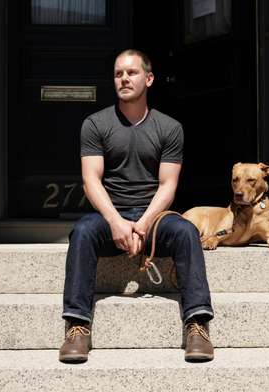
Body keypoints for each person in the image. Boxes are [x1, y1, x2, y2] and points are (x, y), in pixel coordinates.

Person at [59, 49, 214, 363]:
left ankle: (197, 325)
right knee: (83, 232)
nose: (124, 79)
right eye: (118, 74)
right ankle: (77, 326)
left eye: (131, 73)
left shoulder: (169, 128)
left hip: (153, 218)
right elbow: (91, 181)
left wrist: (143, 224)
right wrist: (116, 222)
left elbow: (168, 185)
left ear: (149, 78)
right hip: (110, 215)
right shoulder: (95, 124)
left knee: (185, 231)